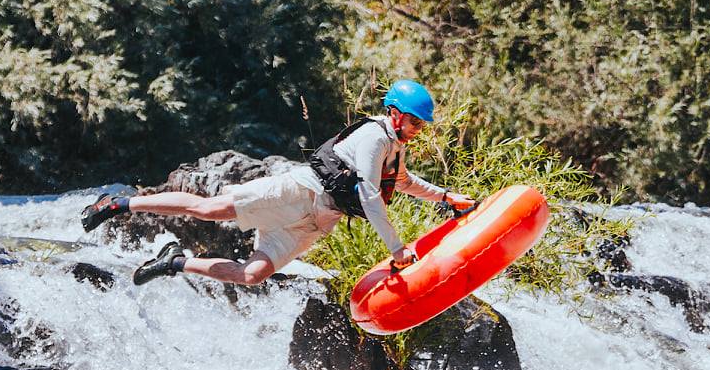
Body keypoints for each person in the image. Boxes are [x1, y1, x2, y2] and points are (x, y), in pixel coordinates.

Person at [81, 80, 475, 287]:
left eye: (422, 124)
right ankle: (118, 204)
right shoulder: (374, 136)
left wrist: (445, 197)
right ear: (395, 113)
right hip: (297, 192)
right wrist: (397, 248)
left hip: (315, 221)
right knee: (208, 209)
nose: (420, 130)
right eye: (416, 122)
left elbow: (401, 182)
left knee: (252, 275)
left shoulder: (395, 144)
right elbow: (370, 194)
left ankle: (175, 262)